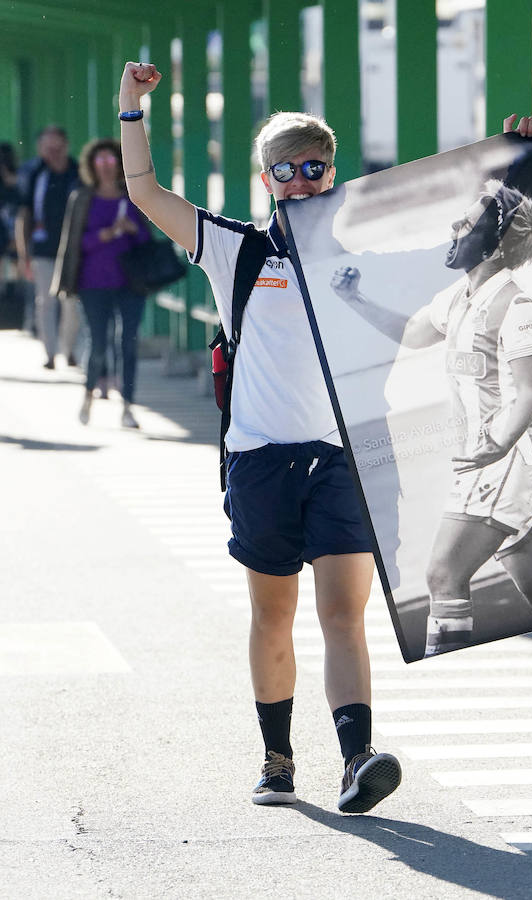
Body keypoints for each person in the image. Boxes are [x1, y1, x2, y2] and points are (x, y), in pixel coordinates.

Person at [118, 61, 404, 814]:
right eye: (286, 170)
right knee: (273, 615)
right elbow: (144, 192)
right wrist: (131, 108)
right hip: (260, 460)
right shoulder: (235, 250)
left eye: (314, 169)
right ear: (266, 178)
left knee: (343, 614)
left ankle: (357, 759)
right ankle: (277, 762)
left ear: (332, 173)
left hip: (339, 459)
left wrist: (522, 152)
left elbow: (462, 244)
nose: (301, 182)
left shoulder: (358, 260)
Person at [331, 167, 532, 658]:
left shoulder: (518, 305)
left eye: (466, 224)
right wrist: (355, 298)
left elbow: (529, 393)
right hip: (497, 461)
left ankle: (441, 672)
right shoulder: (459, 297)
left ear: (492, 248)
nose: (454, 227)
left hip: (505, 460)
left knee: (443, 574)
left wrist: (494, 446)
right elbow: (412, 334)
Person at [52, 137, 151, 428]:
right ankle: (88, 394)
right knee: (97, 344)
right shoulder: (82, 198)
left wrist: (132, 229)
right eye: (100, 160)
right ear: (91, 165)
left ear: (119, 164)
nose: (105, 166)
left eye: (110, 160)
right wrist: (103, 236)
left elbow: (147, 240)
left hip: (130, 284)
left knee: (128, 345)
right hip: (92, 284)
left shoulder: (132, 197)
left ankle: (128, 406)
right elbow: (74, 243)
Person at [15, 126, 79, 369]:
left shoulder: (77, 172)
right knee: (45, 303)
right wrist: (23, 255)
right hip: (42, 249)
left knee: (71, 304)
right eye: (47, 148)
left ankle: (69, 349)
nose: (53, 152)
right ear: (40, 149)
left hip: (74, 249)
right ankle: (50, 353)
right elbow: (24, 215)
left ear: (66, 146)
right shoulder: (34, 174)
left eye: (57, 147)